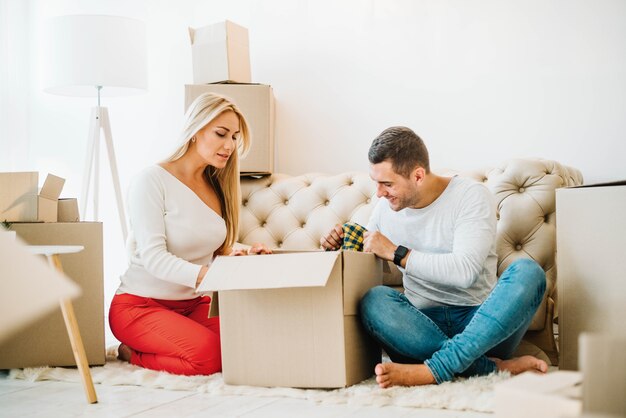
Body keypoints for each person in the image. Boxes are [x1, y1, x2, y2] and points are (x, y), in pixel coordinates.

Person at [321, 126, 548, 388]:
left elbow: (464, 273)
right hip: (419, 328)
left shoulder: (470, 196)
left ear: (418, 175)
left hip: (481, 325)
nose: (379, 193)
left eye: (387, 183)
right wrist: (335, 246)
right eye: (376, 183)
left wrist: (397, 253)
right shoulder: (385, 208)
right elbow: (363, 265)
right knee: (374, 300)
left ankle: (433, 370)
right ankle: (489, 367)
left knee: (528, 272)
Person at [109, 92, 271, 376]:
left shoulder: (215, 183)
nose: (229, 145)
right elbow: (154, 258)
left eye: (234, 137)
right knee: (209, 358)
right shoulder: (152, 180)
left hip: (194, 304)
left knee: (253, 341)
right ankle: (129, 352)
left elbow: (211, 249)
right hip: (140, 305)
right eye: (221, 134)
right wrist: (209, 277)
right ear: (195, 130)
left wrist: (244, 253)